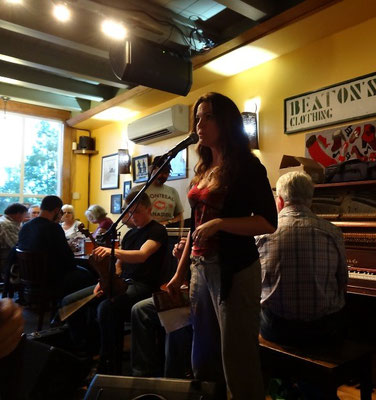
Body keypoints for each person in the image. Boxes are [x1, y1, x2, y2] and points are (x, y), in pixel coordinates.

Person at [166, 92, 277, 400]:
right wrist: (179, 274)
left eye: (208, 116)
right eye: (197, 118)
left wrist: (222, 224)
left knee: (237, 359)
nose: (200, 124)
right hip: (201, 269)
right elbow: (194, 227)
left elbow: (269, 222)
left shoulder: (247, 167)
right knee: (202, 356)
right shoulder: (202, 169)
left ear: (226, 122)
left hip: (235, 270)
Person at [62, 190, 168, 373]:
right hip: (123, 282)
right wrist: (105, 281)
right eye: (130, 212)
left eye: (138, 212)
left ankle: (109, 364)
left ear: (149, 209)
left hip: (143, 285)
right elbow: (118, 265)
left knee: (106, 308)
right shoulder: (130, 234)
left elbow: (142, 255)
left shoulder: (157, 230)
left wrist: (112, 251)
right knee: (71, 302)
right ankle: (86, 352)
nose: (133, 216)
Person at [256, 171, 347, 346]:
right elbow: (342, 282)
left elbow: (253, 283)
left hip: (276, 328)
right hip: (323, 330)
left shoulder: (261, 234)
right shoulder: (333, 231)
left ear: (280, 201)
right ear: (310, 200)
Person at [130, 240, 192, 378]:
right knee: (140, 309)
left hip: (198, 296)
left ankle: (173, 379)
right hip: (186, 293)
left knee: (173, 318)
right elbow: (183, 279)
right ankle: (143, 374)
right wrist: (180, 258)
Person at [15, 196, 93, 297]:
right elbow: (68, 260)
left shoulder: (26, 226)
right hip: (50, 277)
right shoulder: (54, 227)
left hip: (28, 276)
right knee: (87, 274)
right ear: (57, 210)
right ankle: (70, 307)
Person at [134, 156, 184, 226]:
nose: (163, 176)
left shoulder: (173, 191)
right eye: (161, 172)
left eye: (166, 173)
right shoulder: (138, 190)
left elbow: (180, 216)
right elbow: (126, 217)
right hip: (143, 233)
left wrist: (167, 223)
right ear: (151, 170)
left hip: (166, 233)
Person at [0, 203, 27, 276]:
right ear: (18, 214)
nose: (25, 218)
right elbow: (15, 244)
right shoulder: (7, 224)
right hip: (5, 258)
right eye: (24, 215)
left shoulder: (5, 220)